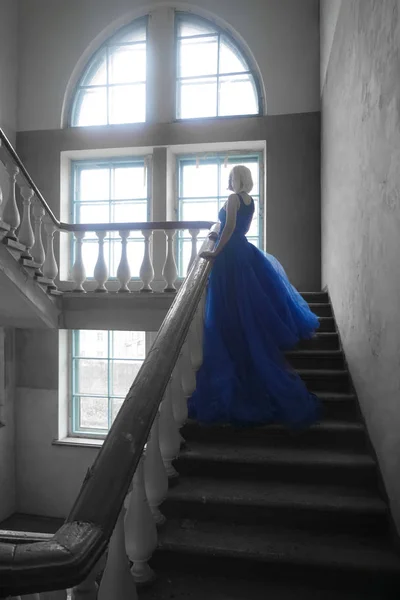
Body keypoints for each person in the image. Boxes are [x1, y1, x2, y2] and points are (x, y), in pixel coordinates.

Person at [188, 165, 321, 427]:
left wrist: (215, 253)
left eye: (231, 176)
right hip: (245, 252)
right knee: (242, 309)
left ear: (237, 178)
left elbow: (229, 229)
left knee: (230, 311)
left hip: (231, 256)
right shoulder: (250, 200)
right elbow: (243, 230)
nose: (230, 179)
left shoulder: (232, 199)